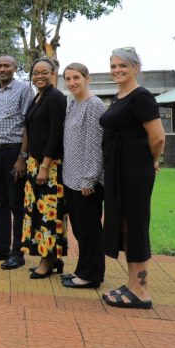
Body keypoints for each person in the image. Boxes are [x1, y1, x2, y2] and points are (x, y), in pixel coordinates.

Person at [99, 48, 165, 309]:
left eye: (122, 66)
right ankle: (132, 285)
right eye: (113, 65)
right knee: (124, 226)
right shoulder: (119, 97)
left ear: (136, 67)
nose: (116, 70)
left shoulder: (142, 97)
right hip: (118, 172)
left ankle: (142, 291)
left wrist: (150, 160)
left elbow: (158, 137)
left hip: (134, 173)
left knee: (136, 226)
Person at [0, 56, 35, 270]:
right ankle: (2, 247)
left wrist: (22, 156)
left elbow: (27, 125)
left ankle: (17, 253)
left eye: (7, 66)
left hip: (14, 152)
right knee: (0, 203)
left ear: (15, 68)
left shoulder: (23, 90)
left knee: (16, 204)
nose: (2, 69)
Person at [19, 58, 68, 279]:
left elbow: (56, 133)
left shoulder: (56, 98)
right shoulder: (37, 97)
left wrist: (45, 166)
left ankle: (48, 259)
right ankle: (50, 257)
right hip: (34, 163)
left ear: (53, 73)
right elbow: (30, 129)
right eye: (36, 72)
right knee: (37, 213)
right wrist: (26, 158)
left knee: (49, 213)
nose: (39, 76)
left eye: (44, 72)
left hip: (50, 166)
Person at [61, 63, 105, 288]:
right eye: (68, 79)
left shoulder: (94, 105)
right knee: (79, 228)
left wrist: (90, 178)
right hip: (71, 177)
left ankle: (91, 276)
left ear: (87, 78)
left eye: (76, 78)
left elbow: (96, 145)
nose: (71, 83)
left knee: (89, 230)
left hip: (86, 181)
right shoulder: (72, 105)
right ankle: (83, 270)